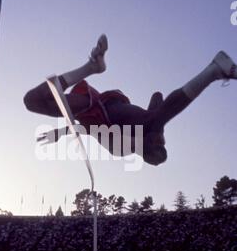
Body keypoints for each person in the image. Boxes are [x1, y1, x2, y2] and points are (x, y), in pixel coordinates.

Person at [23, 35, 237, 165]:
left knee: (32, 101)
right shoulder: (153, 127)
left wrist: (59, 133)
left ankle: (91, 67)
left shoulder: (121, 149)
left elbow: (83, 130)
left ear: (145, 151)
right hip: (114, 107)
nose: (157, 141)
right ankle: (213, 71)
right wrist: (157, 107)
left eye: (153, 147)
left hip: (90, 110)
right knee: (155, 120)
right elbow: (158, 98)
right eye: (160, 143)